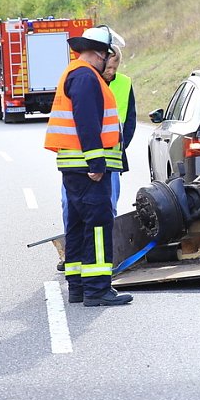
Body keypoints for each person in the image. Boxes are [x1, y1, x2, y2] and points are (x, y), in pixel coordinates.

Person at [45, 25, 133, 307]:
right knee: (96, 225)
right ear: (99, 54)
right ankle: (97, 289)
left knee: (78, 224)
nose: (111, 61)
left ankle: (79, 288)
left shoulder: (78, 73)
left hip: (75, 166)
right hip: (88, 168)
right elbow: (87, 120)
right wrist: (96, 161)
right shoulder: (85, 76)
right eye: (109, 55)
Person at [103, 44, 137, 210]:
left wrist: (122, 145)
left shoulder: (124, 83)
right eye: (108, 67)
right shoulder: (90, 81)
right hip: (92, 155)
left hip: (114, 155)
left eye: (114, 68)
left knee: (111, 204)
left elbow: (130, 119)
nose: (111, 72)